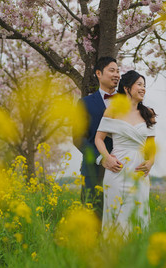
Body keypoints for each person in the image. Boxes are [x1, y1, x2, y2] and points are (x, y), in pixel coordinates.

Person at [94, 70, 157, 234]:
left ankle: (134, 257)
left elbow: (151, 147)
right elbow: (98, 139)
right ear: (127, 88)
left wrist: (150, 162)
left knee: (137, 215)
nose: (143, 89)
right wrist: (107, 158)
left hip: (139, 173)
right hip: (117, 170)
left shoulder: (148, 113)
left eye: (145, 86)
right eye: (139, 84)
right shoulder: (113, 111)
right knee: (116, 216)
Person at [73, 57, 123, 219]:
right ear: (99, 74)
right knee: (93, 217)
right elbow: (78, 138)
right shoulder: (84, 103)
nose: (116, 74)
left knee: (120, 218)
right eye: (112, 70)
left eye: (118, 71)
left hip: (123, 168)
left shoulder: (127, 103)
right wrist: (101, 158)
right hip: (93, 170)